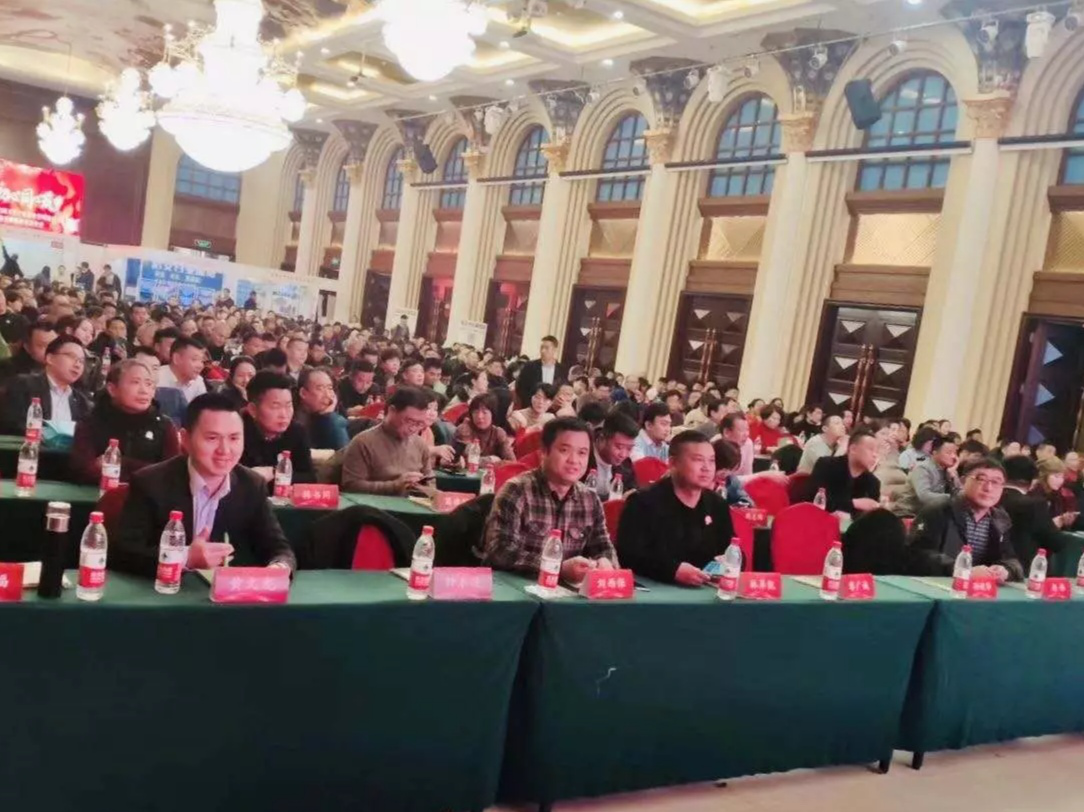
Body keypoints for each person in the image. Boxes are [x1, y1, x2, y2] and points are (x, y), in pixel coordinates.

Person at [113, 393, 296, 576]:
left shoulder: (251, 485)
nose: (224, 450)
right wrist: (185, 557)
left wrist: (278, 568)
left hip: (225, 592)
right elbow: (122, 552)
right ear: (185, 439)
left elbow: (279, 548)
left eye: (234, 438)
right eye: (212, 438)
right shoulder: (150, 482)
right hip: (164, 589)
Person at [482, 416, 616, 578]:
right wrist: (556, 568)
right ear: (544, 452)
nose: (574, 460)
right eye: (564, 450)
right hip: (517, 586)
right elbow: (499, 552)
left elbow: (603, 547)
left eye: (582, 453)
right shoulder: (517, 490)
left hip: (566, 590)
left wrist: (605, 562)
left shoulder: (590, 500)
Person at [618, 431, 736, 586]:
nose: (707, 468)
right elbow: (628, 555)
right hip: (657, 590)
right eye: (698, 460)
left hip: (707, 588)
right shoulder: (643, 502)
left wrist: (728, 562)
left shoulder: (717, 505)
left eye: (711, 461)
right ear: (673, 463)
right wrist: (672, 570)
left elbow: (732, 548)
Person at [907, 457, 1023, 582]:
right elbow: (918, 555)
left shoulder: (1000, 518)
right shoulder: (940, 509)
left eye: (996, 482)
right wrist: (963, 570)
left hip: (980, 588)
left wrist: (1006, 570)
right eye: (981, 479)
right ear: (962, 481)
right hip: (940, 584)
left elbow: (1012, 559)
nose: (988, 488)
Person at [70, 359, 181, 485]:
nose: (144, 390)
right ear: (112, 389)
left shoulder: (164, 425)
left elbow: (172, 474)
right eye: (135, 382)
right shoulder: (91, 422)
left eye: (149, 384)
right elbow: (82, 470)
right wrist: (148, 469)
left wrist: (120, 463)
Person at [340, 386, 433, 495]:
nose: (413, 428)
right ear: (391, 411)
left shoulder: (420, 444)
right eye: (409, 421)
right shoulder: (363, 442)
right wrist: (395, 485)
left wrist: (424, 488)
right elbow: (351, 486)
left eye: (419, 424)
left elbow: (431, 482)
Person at [2, 335, 91, 432]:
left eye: (81, 361)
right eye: (71, 356)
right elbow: (11, 424)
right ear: (50, 358)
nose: (78, 365)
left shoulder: (82, 403)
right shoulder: (23, 385)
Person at [239, 371, 315, 484]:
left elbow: (309, 478)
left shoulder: (297, 431)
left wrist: (275, 472)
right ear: (253, 410)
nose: (284, 414)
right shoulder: (237, 433)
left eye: (288, 405)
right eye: (276, 406)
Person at [999, 455, 1068, 569]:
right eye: (1056, 476)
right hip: (1024, 569)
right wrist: (1054, 525)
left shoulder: (991, 498)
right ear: (1033, 480)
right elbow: (1056, 542)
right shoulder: (1035, 505)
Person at [808, 428, 882, 515]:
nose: (875, 455)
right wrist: (854, 503)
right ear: (853, 449)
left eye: (877, 451)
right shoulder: (827, 465)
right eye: (871, 449)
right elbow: (815, 500)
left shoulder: (873, 483)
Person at [893, 436, 960, 517]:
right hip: (908, 513)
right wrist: (952, 498)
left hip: (931, 514)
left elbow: (959, 494)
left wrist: (953, 477)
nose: (953, 456)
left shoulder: (949, 470)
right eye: (949, 453)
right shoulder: (922, 468)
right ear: (935, 453)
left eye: (955, 453)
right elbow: (924, 496)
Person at [586, 410, 639, 497]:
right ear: (602, 439)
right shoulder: (583, 456)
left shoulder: (626, 465)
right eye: (619, 447)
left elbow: (632, 491)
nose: (623, 455)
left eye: (629, 449)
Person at [297, 366, 351, 450]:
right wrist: (327, 416)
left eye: (330, 388)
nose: (327, 395)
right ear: (303, 393)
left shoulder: (330, 412)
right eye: (320, 388)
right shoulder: (294, 419)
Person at [453, 393, 515, 463]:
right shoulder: (464, 429)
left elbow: (512, 461)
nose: (480, 416)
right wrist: (491, 460)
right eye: (476, 412)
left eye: (485, 412)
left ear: (492, 414)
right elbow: (467, 461)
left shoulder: (498, 433)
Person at [514, 335, 567, 408]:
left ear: (554, 350)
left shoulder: (562, 369)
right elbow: (520, 388)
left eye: (546, 348)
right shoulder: (530, 366)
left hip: (553, 408)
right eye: (541, 348)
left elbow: (563, 389)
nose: (543, 351)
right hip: (531, 406)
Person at [0, 318, 55, 384]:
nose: (51, 350)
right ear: (27, 347)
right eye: (43, 345)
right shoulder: (7, 369)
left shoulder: (62, 368)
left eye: (55, 344)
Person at [157, 336, 207, 404]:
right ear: (176, 359)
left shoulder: (198, 381)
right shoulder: (156, 378)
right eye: (194, 359)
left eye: (201, 361)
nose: (200, 366)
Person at [713, 438, 754, 507]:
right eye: (723, 469)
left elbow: (746, 499)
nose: (726, 473)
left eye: (731, 469)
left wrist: (740, 505)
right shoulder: (705, 481)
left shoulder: (732, 481)